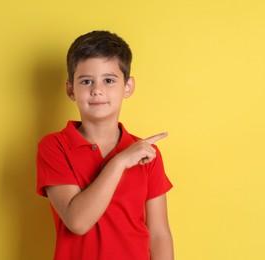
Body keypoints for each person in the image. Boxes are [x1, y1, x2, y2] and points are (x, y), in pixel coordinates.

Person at [36, 30, 174, 260]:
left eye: (108, 80)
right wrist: (119, 162)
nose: (97, 89)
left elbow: (159, 234)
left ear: (127, 87)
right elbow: (77, 222)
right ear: (70, 89)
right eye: (86, 81)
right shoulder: (54, 146)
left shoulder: (147, 153)